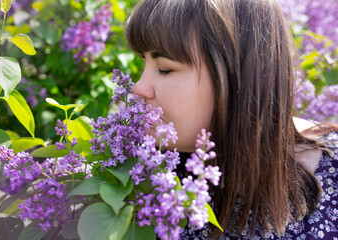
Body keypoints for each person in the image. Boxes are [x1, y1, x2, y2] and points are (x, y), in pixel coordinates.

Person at [125, 0, 338, 239]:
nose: (139, 87)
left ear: (237, 77)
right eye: (143, 62)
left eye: (165, 69)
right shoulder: (140, 175)